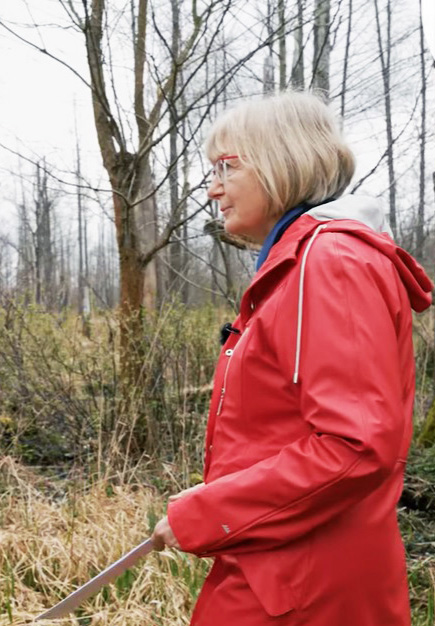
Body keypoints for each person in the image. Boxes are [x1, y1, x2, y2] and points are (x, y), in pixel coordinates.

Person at [150, 91, 433, 625]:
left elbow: (353, 447)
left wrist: (209, 513)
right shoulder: (298, 263)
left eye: (226, 168)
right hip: (280, 570)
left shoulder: (332, 262)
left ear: (280, 162)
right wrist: (219, 493)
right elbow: (287, 432)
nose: (212, 189)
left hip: (306, 590)